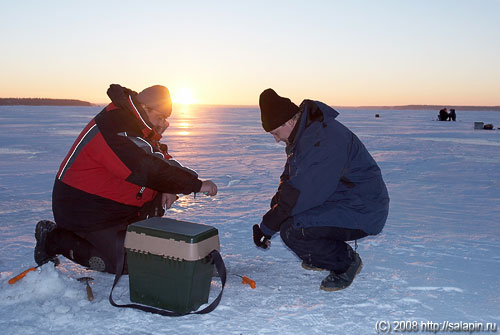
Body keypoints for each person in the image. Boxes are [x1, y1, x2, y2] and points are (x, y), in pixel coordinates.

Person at [34, 84, 218, 273]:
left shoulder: (135, 124)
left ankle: (116, 239)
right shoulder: (115, 126)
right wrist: (194, 185)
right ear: (145, 108)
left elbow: (158, 156)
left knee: (148, 250)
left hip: (116, 209)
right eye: (160, 117)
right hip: (85, 210)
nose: (163, 124)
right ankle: (53, 237)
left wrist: (169, 186)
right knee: (124, 262)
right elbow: (148, 168)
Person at [252, 89, 389, 291]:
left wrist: (268, 226)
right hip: (340, 200)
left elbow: (302, 193)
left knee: (293, 230)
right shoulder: (305, 134)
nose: (276, 140)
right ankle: (319, 253)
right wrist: (276, 207)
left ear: (289, 122)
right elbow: (289, 180)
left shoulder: (322, 140)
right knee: (290, 219)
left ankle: (346, 262)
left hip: (363, 208)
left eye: (275, 133)